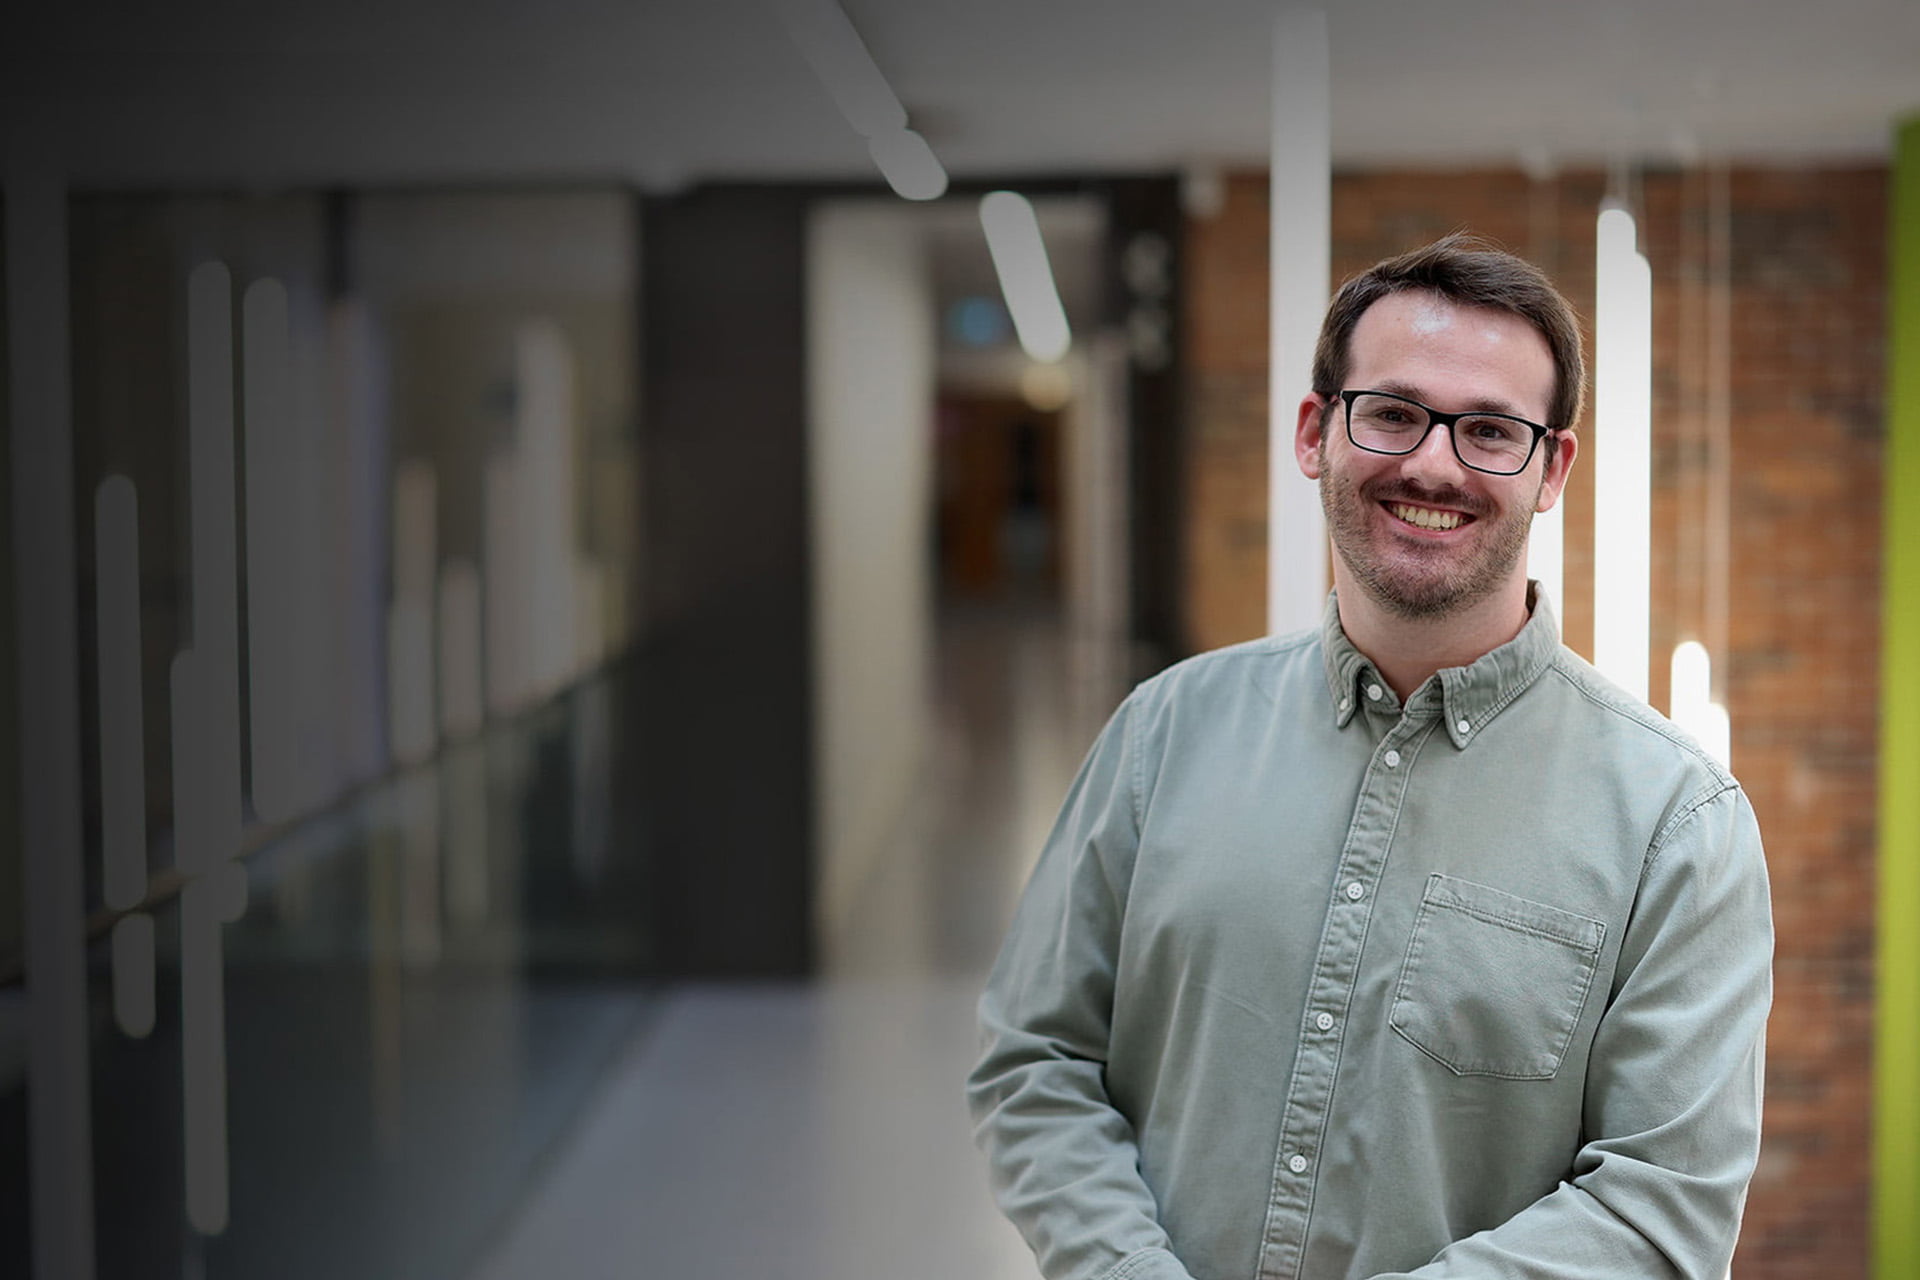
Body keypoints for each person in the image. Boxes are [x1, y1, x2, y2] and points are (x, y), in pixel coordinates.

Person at [966, 234, 1773, 1280]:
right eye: (1392, 412)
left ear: (1552, 467)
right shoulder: (1163, 732)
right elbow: (1038, 1062)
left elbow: (1662, 1204)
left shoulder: (1677, 821)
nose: (1433, 462)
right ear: (1315, 431)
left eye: (1490, 429)